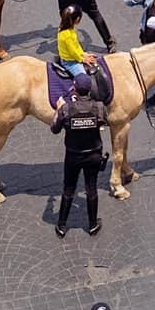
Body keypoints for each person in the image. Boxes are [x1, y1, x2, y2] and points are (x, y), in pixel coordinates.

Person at [49, 75, 108, 237]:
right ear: (90, 90)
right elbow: (104, 122)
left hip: (73, 156)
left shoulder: (66, 109)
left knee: (68, 189)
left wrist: (58, 110)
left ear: (74, 89)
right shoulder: (99, 107)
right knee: (91, 188)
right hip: (93, 154)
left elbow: (54, 129)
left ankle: (61, 225)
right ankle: (92, 224)